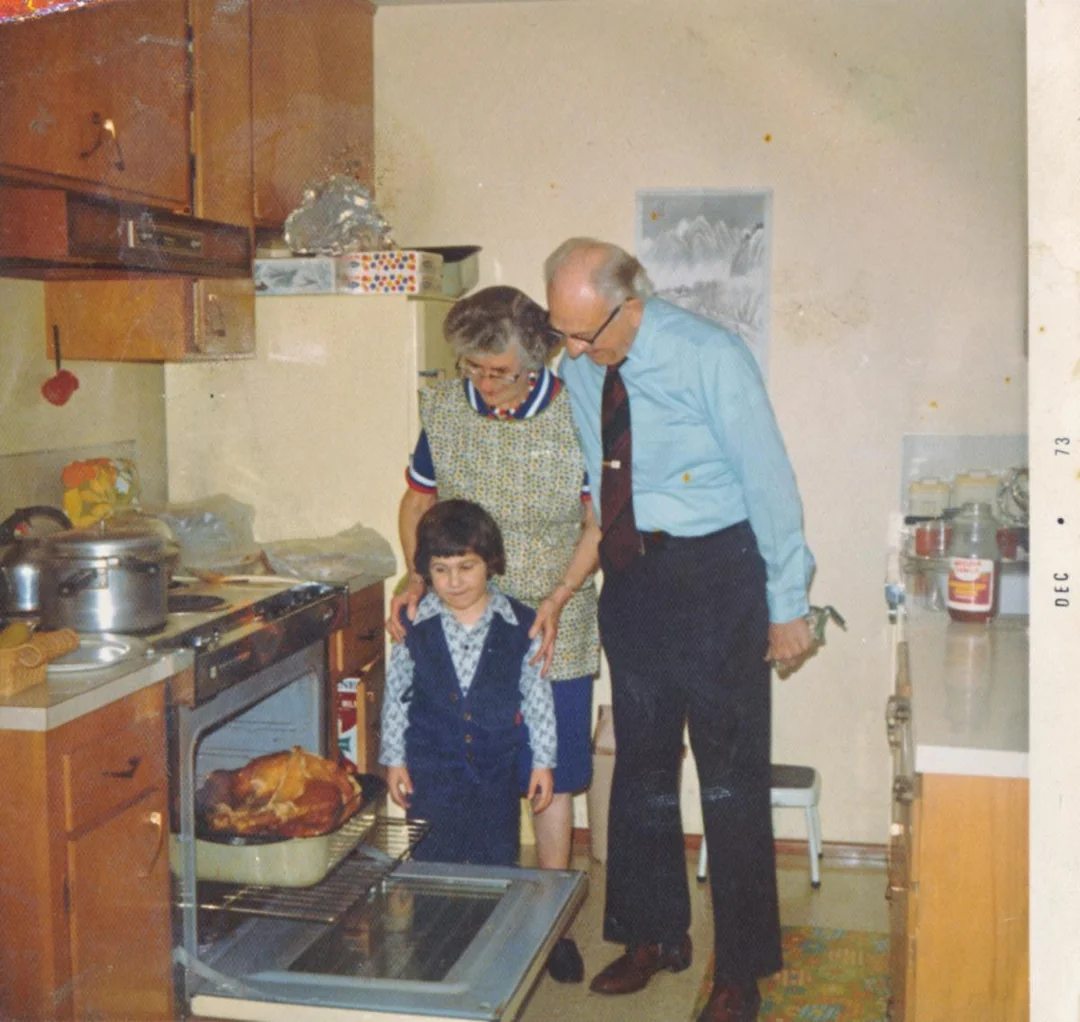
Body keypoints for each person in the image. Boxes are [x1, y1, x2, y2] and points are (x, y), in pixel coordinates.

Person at [545, 238, 815, 1022]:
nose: (571, 352)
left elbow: (770, 483)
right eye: (562, 332)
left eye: (583, 334)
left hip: (718, 577)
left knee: (730, 778)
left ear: (630, 305)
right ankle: (653, 935)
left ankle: (740, 971)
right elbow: (601, 480)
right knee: (640, 769)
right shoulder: (581, 367)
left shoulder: (710, 358)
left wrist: (787, 604)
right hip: (634, 577)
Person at [387, 285, 601, 982]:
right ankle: (467, 909)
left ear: (536, 361)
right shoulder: (446, 408)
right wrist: (416, 574)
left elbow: (597, 523)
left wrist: (561, 596)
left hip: (551, 617)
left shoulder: (577, 412)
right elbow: (419, 498)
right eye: (473, 368)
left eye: (499, 371)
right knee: (468, 763)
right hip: (461, 616)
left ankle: (551, 922)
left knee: (552, 772)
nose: (484, 383)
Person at [380, 499, 555, 866]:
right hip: (431, 778)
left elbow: (538, 700)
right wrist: (394, 759)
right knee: (431, 868)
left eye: (466, 567)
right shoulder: (412, 625)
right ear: (426, 570)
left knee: (496, 867)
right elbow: (396, 697)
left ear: (489, 562)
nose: (454, 581)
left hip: (497, 779)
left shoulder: (522, 625)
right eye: (441, 569)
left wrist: (543, 763)